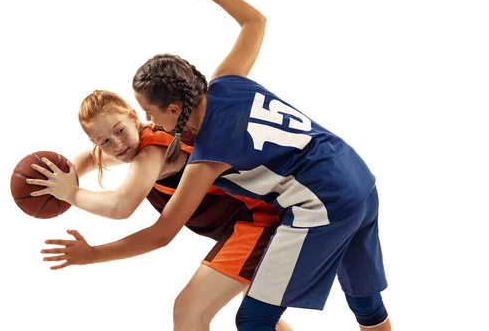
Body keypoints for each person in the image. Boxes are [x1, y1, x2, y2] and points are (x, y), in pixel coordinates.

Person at [42, 0, 391, 330]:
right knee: (365, 302)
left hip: (322, 202)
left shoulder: (207, 155)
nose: (148, 119)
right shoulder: (227, 80)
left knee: (255, 319)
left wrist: (76, 211)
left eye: (149, 112)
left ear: (174, 109)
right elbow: (254, 21)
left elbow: (159, 234)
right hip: (356, 173)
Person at [27, 89, 293, 331]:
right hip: (251, 227)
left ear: (134, 117)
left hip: (260, 222)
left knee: (190, 310)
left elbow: (123, 207)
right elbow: (90, 158)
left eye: (119, 131)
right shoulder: (132, 146)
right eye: (104, 141)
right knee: (260, 320)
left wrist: (71, 194)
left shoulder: (154, 151)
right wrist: (69, 173)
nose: (117, 146)